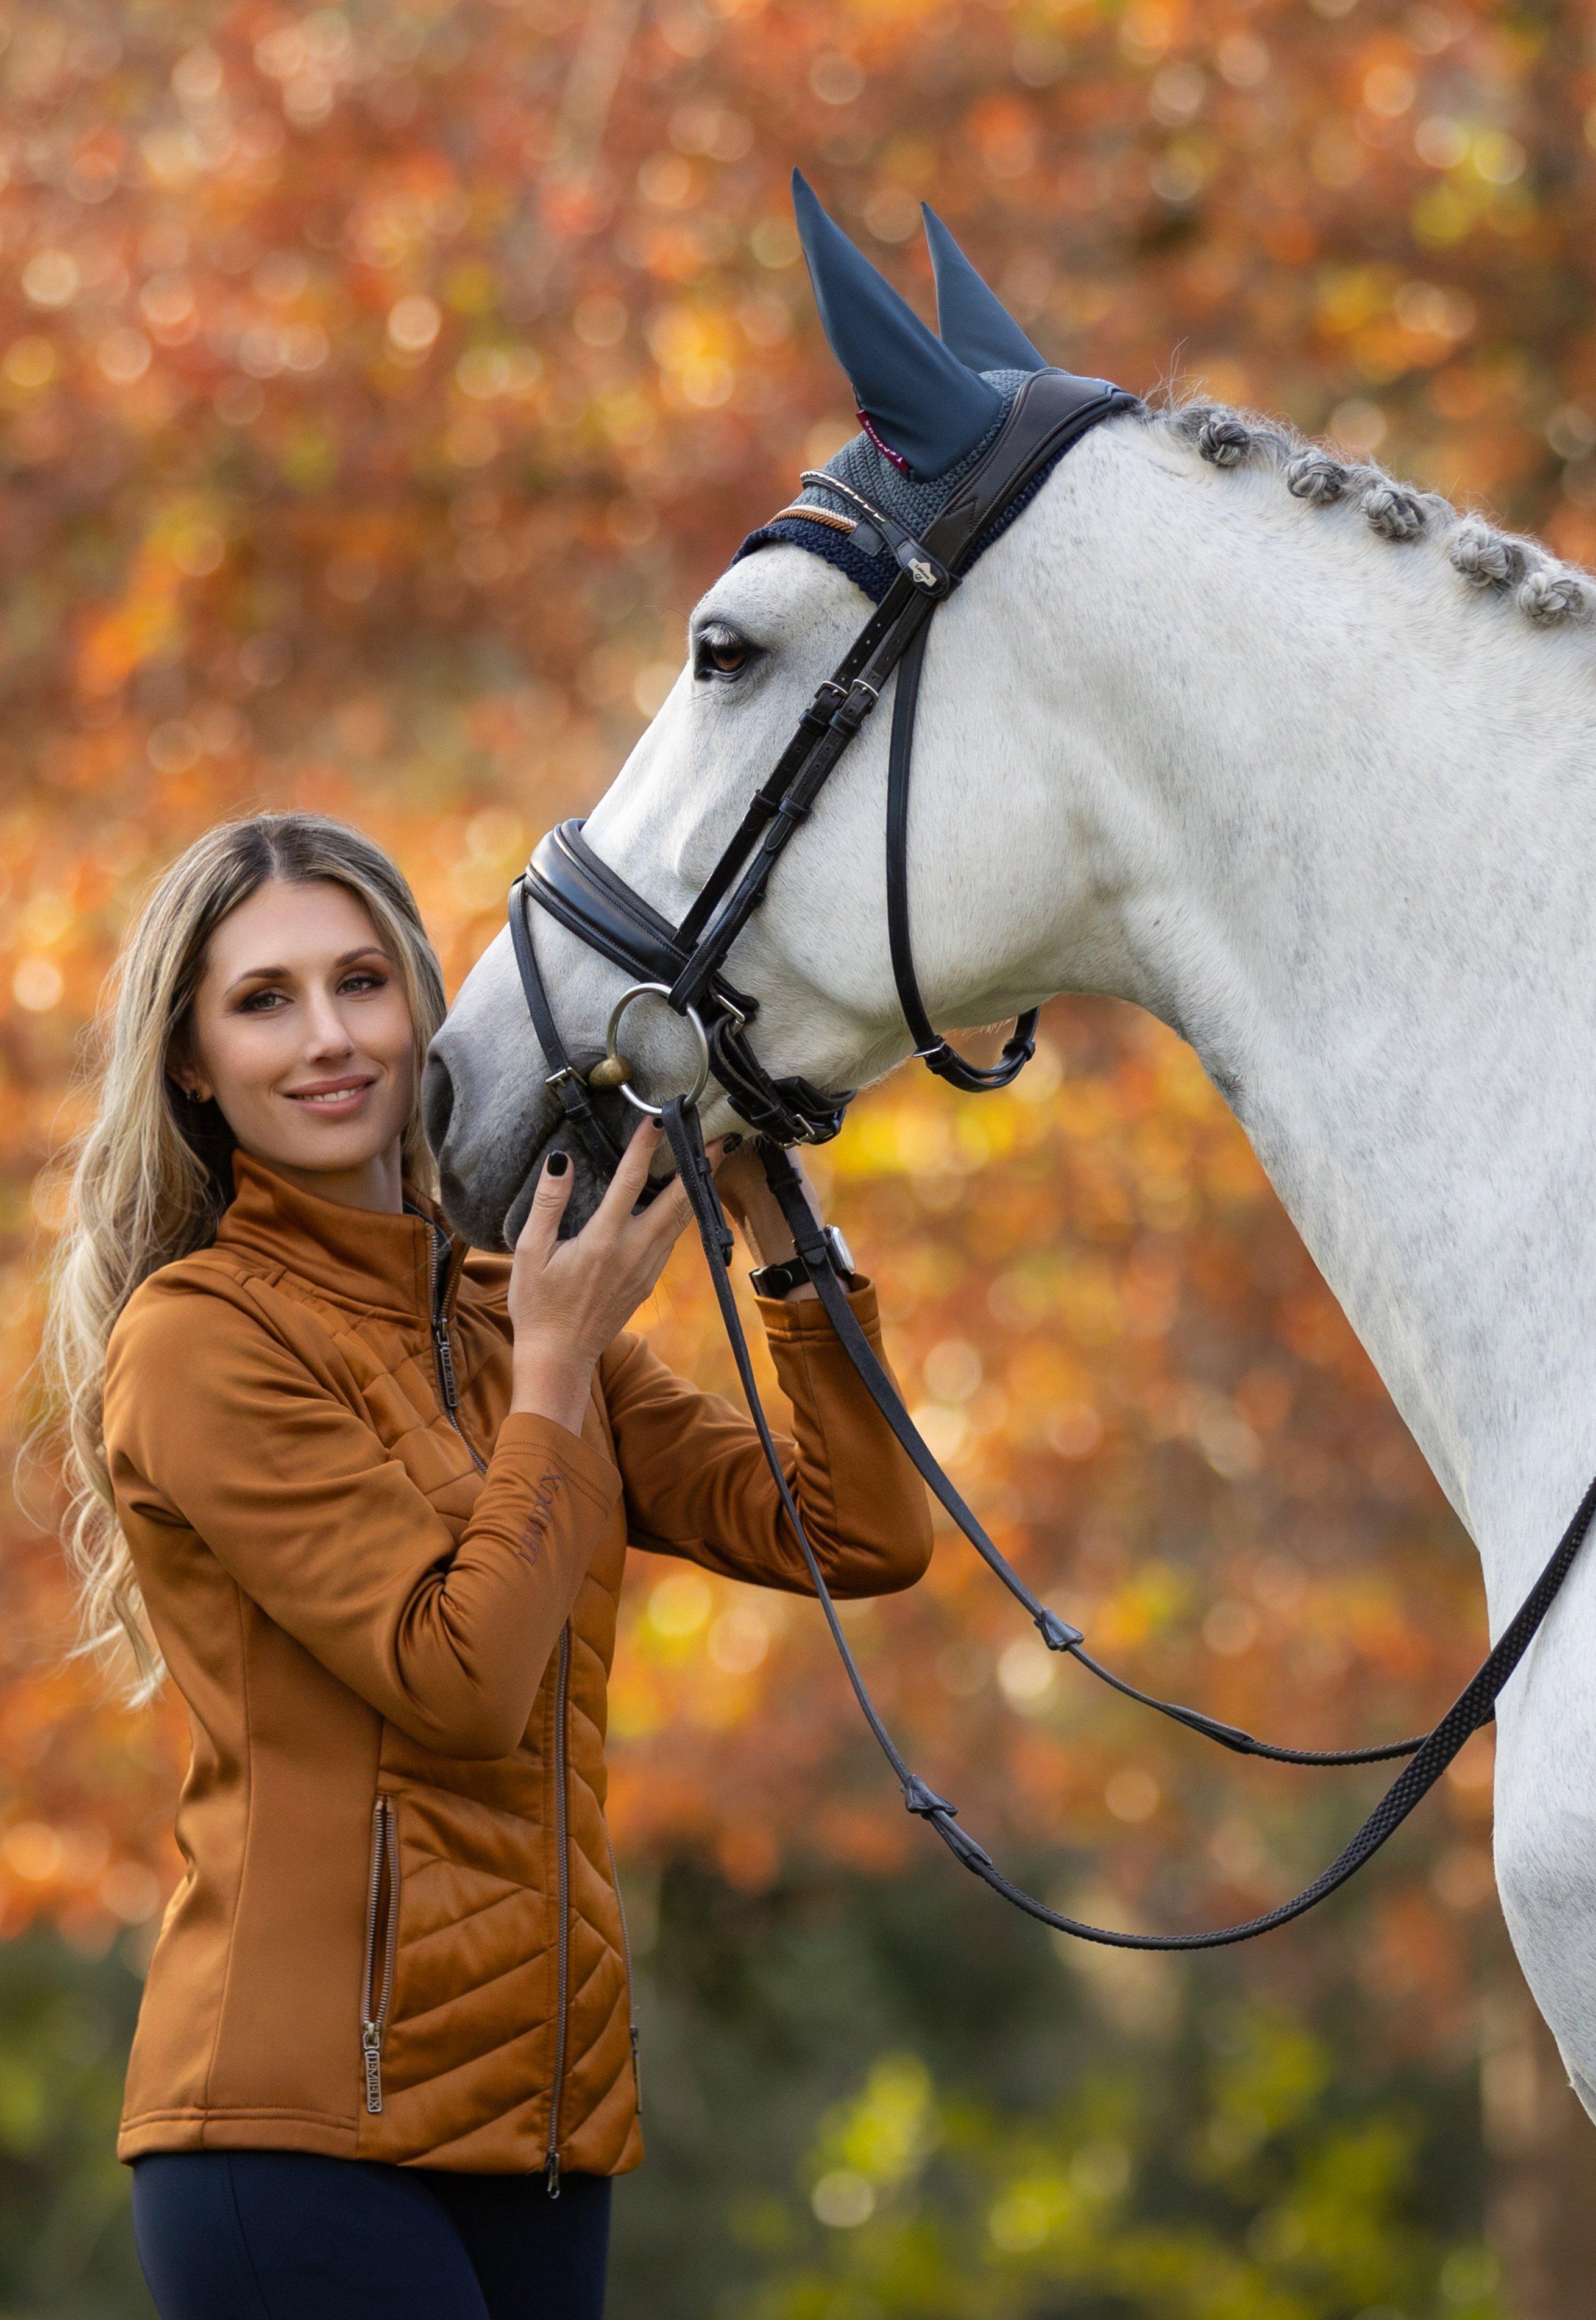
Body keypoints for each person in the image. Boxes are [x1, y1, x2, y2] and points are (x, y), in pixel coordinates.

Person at [38, 812, 935, 2320]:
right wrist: (557, 1374)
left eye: (362, 983)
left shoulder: (506, 1309)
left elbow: (859, 1534)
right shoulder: (200, 1340)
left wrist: (786, 1239)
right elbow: (459, 1682)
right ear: (192, 1061)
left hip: (540, 2130)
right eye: (264, 1000)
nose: (329, 1037)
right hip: (297, 2134)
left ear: (421, 1009)